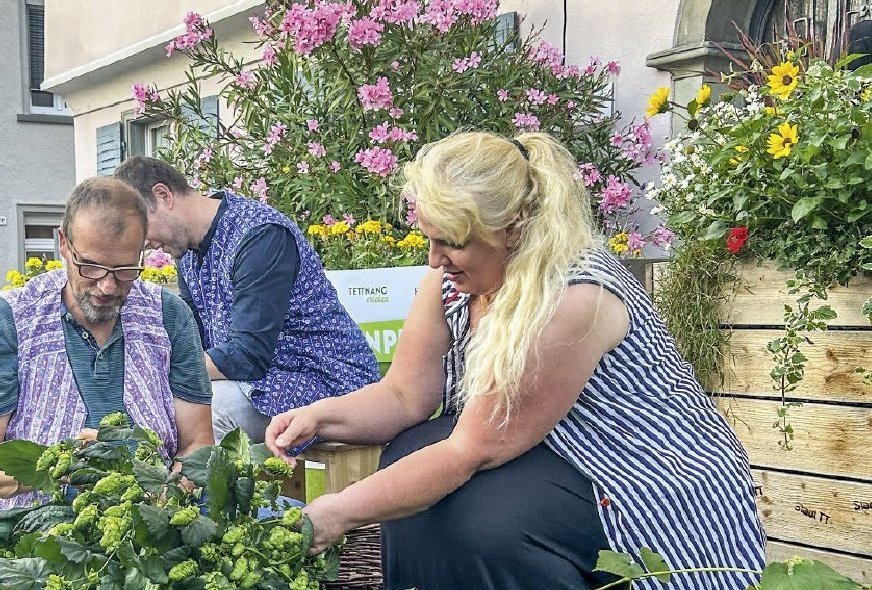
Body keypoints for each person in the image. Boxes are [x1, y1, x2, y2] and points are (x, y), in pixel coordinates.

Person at [265, 132, 766, 590]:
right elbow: (405, 396)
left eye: (452, 242)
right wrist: (320, 415)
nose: (434, 258)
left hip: (645, 479)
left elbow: (469, 451)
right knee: (411, 450)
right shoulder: (448, 283)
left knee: (485, 520)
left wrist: (339, 511)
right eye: (430, 238)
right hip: (560, 457)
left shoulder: (570, 296)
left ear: (513, 227)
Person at [0, 177, 213, 511]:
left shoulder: (168, 317)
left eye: (125, 270)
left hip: (149, 521)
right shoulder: (7, 321)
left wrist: (167, 497)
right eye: (90, 266)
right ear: (63, 243)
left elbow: (197, 443)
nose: (107, 287)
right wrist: (60, 465)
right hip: (33, 527)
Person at [113, 157, 378, 444]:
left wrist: (158, 371)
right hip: (266, 382)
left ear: (163, 196)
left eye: (141, 228)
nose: (144, 244)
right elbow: (190, 341)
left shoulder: (260, 235)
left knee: (205, 413)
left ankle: (191, 489)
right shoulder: (188, 252)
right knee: (158, 406)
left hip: (330, 382)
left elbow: (247, 356)